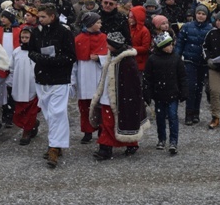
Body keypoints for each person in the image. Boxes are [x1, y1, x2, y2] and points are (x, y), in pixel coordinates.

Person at [28, 3, 76, 168]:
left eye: (43, 17)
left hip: (59, 78)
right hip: (42, 77)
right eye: (39, 17)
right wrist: (38, 58)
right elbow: (31, 50)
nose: (39, 20)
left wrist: (53, 61)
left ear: (52, 16)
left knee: (57, 112)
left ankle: (54, 147)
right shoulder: (37, 32)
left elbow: (71, 56)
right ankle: (58, 142)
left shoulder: (64, 32)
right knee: (49, 114)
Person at [90, 31, 150, 161]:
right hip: (108, 96)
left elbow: (132, 84)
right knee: (109, 123)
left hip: (120, 98)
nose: (106, 46)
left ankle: (107, 147)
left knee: (119, 122)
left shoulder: (126, 61)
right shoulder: (112, 56)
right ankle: (109, 146)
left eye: (108, 44)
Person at [143, 32, 188, 155]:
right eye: (168, 45)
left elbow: (182, 77)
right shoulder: (152, 59)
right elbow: (148, 78)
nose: (171, 47)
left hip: (173, 93)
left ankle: (173, 141)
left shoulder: (176, 58)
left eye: (171, 45)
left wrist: (184, 91)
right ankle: (161, 139)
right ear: (161, 46)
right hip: (159, 94)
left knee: (173, 117)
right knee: (160, 118)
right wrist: (147, 93)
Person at [175, 2, 214, 125]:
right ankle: (189, 113)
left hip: (203, 62)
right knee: (191, 87)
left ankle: (196, 113)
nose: (200, 16)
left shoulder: (210, 29)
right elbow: (180, 43)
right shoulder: (187, 27)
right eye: (199, 13)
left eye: (203, 14)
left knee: (199, 89)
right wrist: (177, 58)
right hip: (190, 60)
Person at [72, 12, 107, 144]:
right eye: (98, 22)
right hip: (84, 75)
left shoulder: (104, 37)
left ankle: (101, 129)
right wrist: (73, 80)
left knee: (99, 105)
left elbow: (109, 56)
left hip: (98, 74)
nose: (100, 24)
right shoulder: (79, 39)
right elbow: (75, 61)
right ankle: (87, 131)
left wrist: (99, 58)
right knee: (85, 105)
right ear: (91, 24)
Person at [10, 26, 40, 146]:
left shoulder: (36, 51)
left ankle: (26, 131)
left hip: (32, 85)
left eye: (27, 37)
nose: (24, 39)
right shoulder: (16, 51)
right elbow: (11, 68)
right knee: (20, 111)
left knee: (31, 111)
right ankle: (33, 124)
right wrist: (10, 82)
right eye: (22, 37)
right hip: (19, 85)